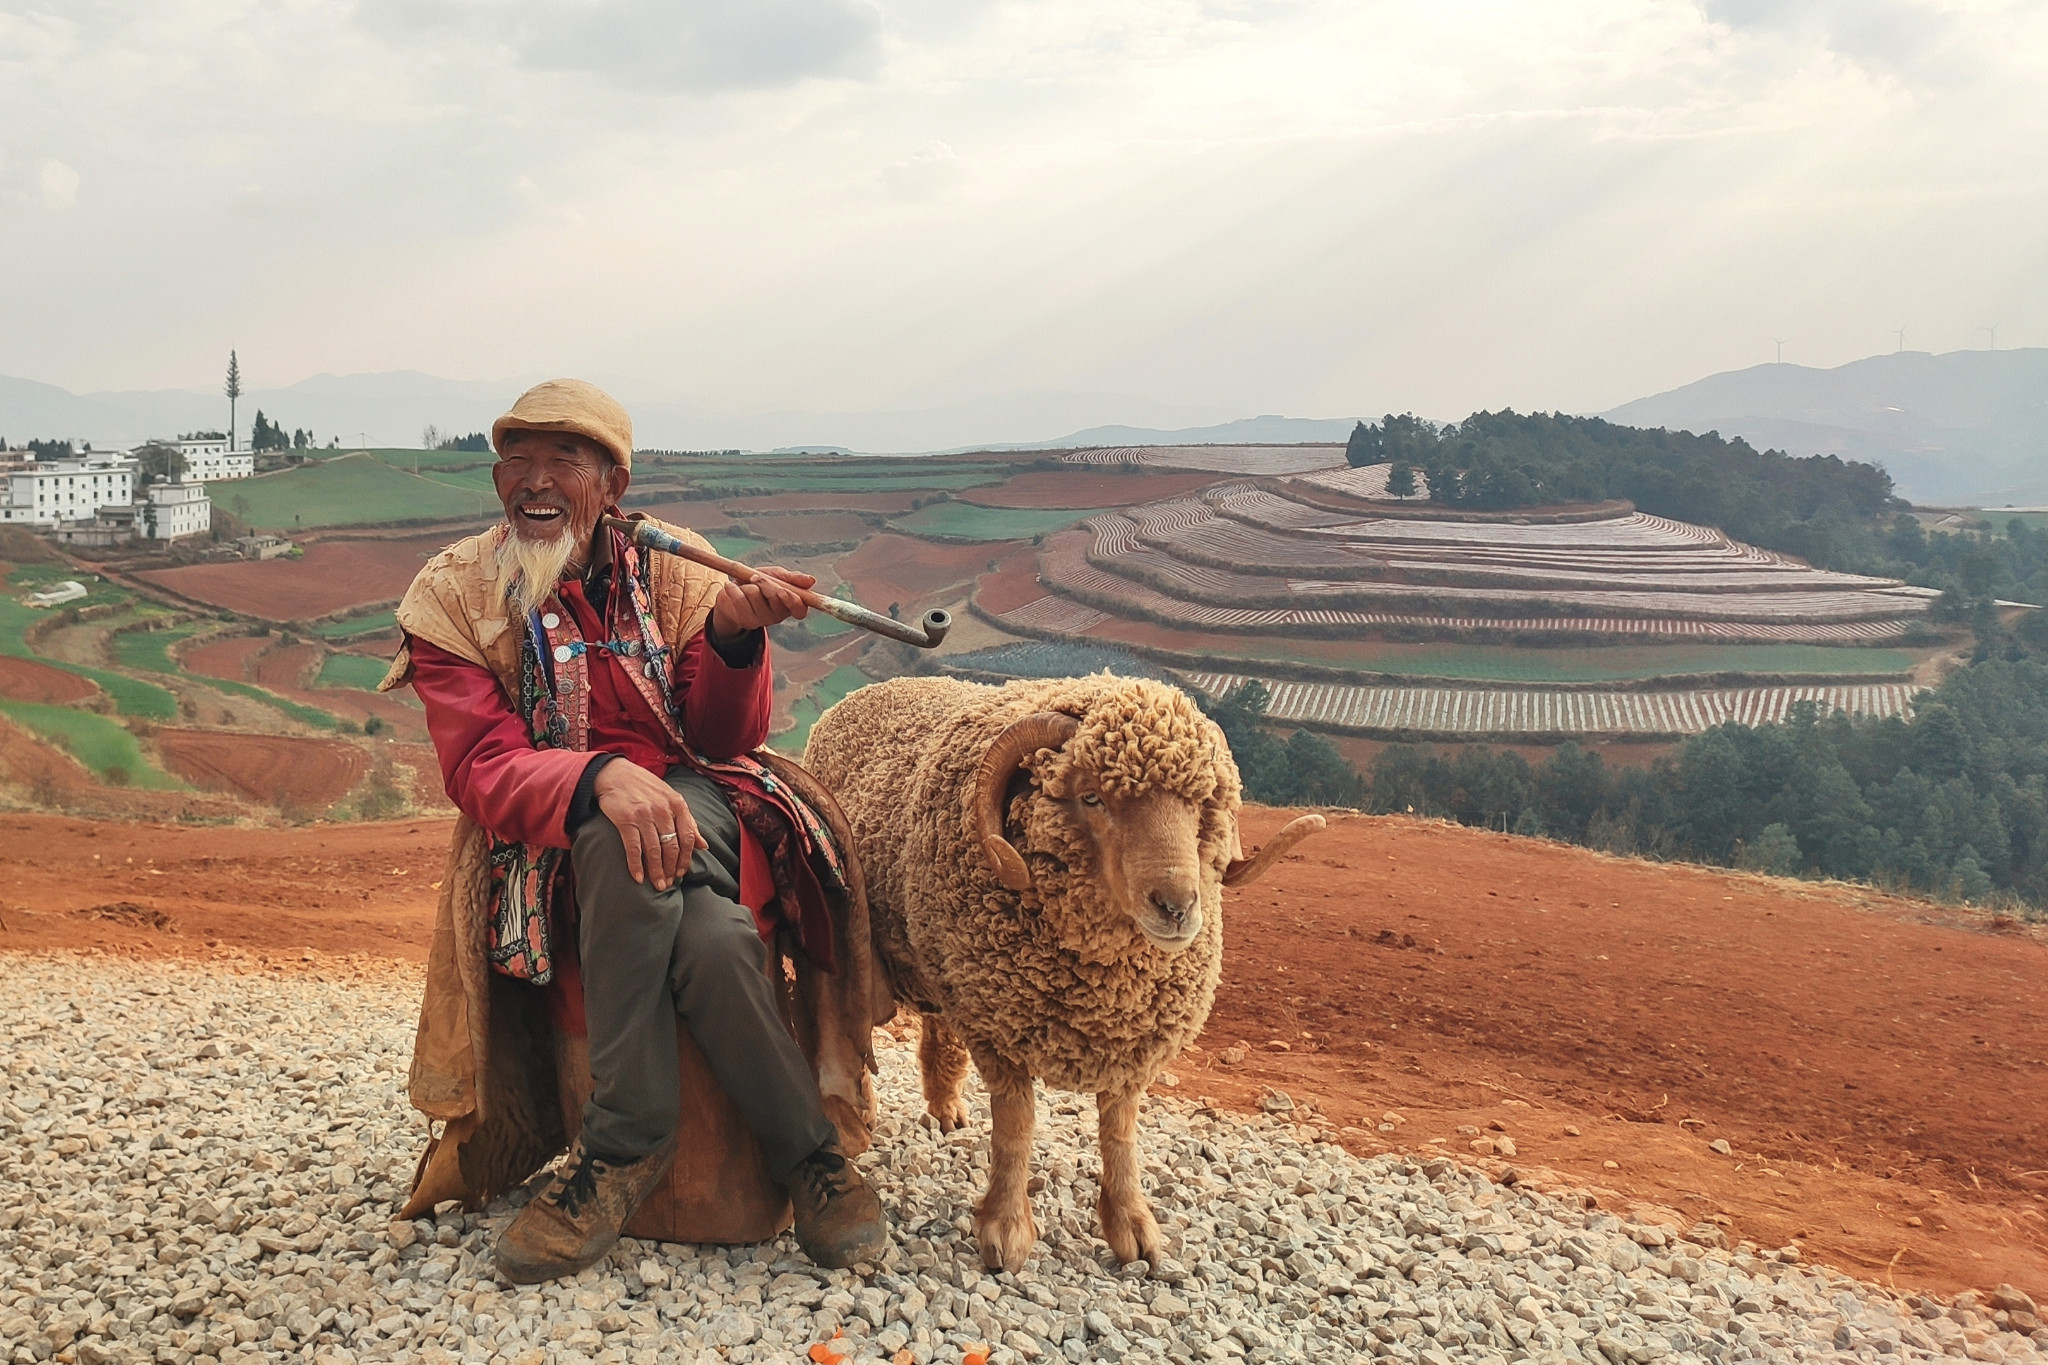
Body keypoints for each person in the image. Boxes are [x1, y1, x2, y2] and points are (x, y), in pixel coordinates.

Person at [396, 378, 888, 1283]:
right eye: (518, 459)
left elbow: (721, 739)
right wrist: (594, 777)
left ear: (613, 485)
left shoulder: (678, 565)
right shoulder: (455, 595)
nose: (534, 481)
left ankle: (618, 1150)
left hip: (705, 803)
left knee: (629, 833)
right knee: (713, 936)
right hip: (553, 833)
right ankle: (813, 1163)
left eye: (564, 460)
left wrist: (737, 634)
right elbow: (480, 768)